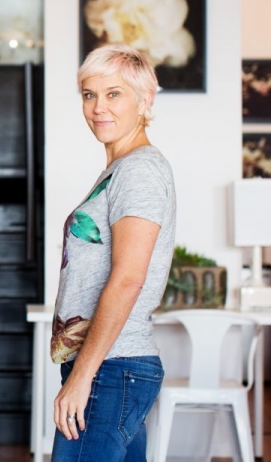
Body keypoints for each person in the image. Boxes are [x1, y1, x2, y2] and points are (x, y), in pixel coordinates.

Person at [50, 43, 176, 461]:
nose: (98, 107)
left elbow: (128, 278)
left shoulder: (139, 170)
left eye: (114, 93)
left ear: (145, 100)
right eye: (90, 94)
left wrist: (83, 375)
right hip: (110, 366)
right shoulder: (122, 168)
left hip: (110, 368)